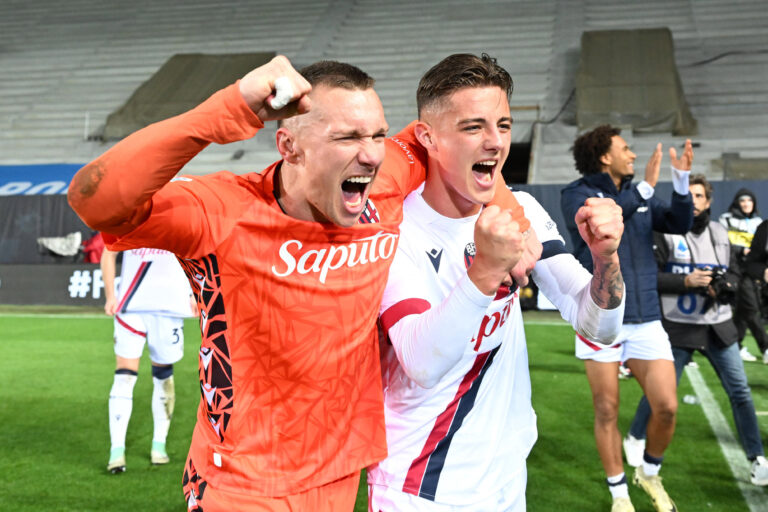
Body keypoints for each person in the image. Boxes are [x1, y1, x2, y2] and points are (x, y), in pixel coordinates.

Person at [68, 56, 536, 511]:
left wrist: (513, 214)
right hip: (243, 483)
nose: (372, 153)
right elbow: (95, 199)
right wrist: (227, 109)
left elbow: (462, 146)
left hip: (340, 475)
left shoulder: (382, 180)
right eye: (348, 136)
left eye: (376, 133)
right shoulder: (223, 212)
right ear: (289, 147)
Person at [367, 53, 626, 512]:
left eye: (503, 126)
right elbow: (421, 361)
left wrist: (606, 261)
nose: (495, 143)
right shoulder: (395, 230)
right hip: (423, 485)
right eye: (473, 127)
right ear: (427, 137)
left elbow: (598, 329)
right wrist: (484, 271)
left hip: (507, 477)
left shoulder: (521, 210)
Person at [561, 125, 694, 512]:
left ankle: (648, 472)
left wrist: (680, 181)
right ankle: (619, 494)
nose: (633, 155)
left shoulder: (639, 196)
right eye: (625, 148)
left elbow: (679, 222)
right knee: (606, 409)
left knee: (666, 406)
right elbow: (606, 221)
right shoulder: (578, 194)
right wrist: (646, 190)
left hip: (646, 319)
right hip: (599, 320)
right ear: (605, 156)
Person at [625, 174, 768, 487]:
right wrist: (685, 282)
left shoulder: (720, 231)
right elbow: (649, 276)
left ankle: (757, 458)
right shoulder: (663, 230)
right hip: (677, 326)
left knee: (740, 392)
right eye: (688, 196)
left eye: (700, 196)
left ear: (709, 201)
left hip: (718, 325)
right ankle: (635, 436)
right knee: (661, 393)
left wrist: (725, 285)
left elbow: (734, 270)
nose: (694, 202)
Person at [101, 246, 196, 473]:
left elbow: (193, 252)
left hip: (170, 307)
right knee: (124, 374)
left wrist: (193, 293)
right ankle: (116, 451)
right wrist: (110, 296)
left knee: (163, 374)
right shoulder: (128, 215)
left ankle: (158, 445)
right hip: (131, 306)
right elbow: (108, 251)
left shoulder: (179, 214)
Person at [718, 188, 766, 361]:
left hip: (752, 272)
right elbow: (721, 242)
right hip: (734, 269)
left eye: (749, 201)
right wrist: (740, 250)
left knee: (742, 312)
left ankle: (736, 345)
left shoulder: (759, 223)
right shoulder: (726, 219)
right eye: (743, 201)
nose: (746, 204)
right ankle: (765, 347)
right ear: (737, 203)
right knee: (751, 308)